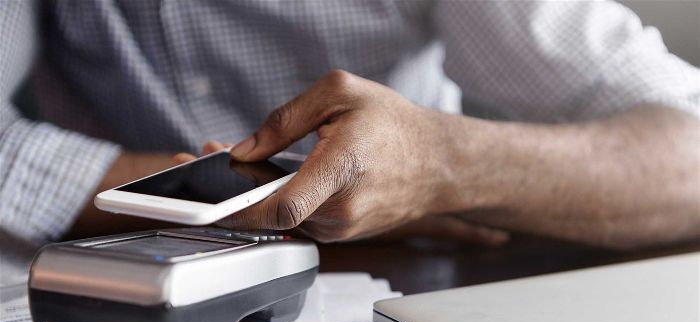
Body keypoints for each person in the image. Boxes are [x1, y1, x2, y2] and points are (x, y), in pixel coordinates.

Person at [1, 0, 698, 249]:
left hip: (399, 273)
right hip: (109, 273)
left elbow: (688, 154)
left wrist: (440, 167)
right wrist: (210, 204)